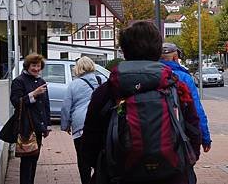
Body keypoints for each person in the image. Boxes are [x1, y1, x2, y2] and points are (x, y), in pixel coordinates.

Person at [81, 21, 201, 184]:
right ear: (158, 50)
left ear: (123, 51)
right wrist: (185, 162)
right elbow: (193, 129)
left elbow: (89, 141)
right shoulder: (177, 87)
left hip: (119, 176)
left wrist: (104, 166)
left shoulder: (106, 91)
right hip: (172, 175)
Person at [60, 57, 106, 184]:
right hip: (100, 124)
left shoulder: (73, 85)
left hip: (81, 126)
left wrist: (65, 125)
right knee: (100, 158)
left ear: (78, 68)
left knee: (83, 159)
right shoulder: (102, 80)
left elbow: (65, 107)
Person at [161, 42, 212, 152]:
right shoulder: (184, 77)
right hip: (180, 133)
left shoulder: (153, 74)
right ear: (175, 58)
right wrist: (205, 137)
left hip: (156, 134)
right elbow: (196, 108)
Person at [10, 53, 51, 184]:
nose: (36, 69)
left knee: (34, 159)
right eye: (34, 65)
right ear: (27, 66)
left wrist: (47, 126)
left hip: (38, 127)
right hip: (26, 127)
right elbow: (16, 102)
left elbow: (45, 105)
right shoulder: (19, 81)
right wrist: (33, 94)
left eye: (39, 66)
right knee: (27, 160)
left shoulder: (41, 81)